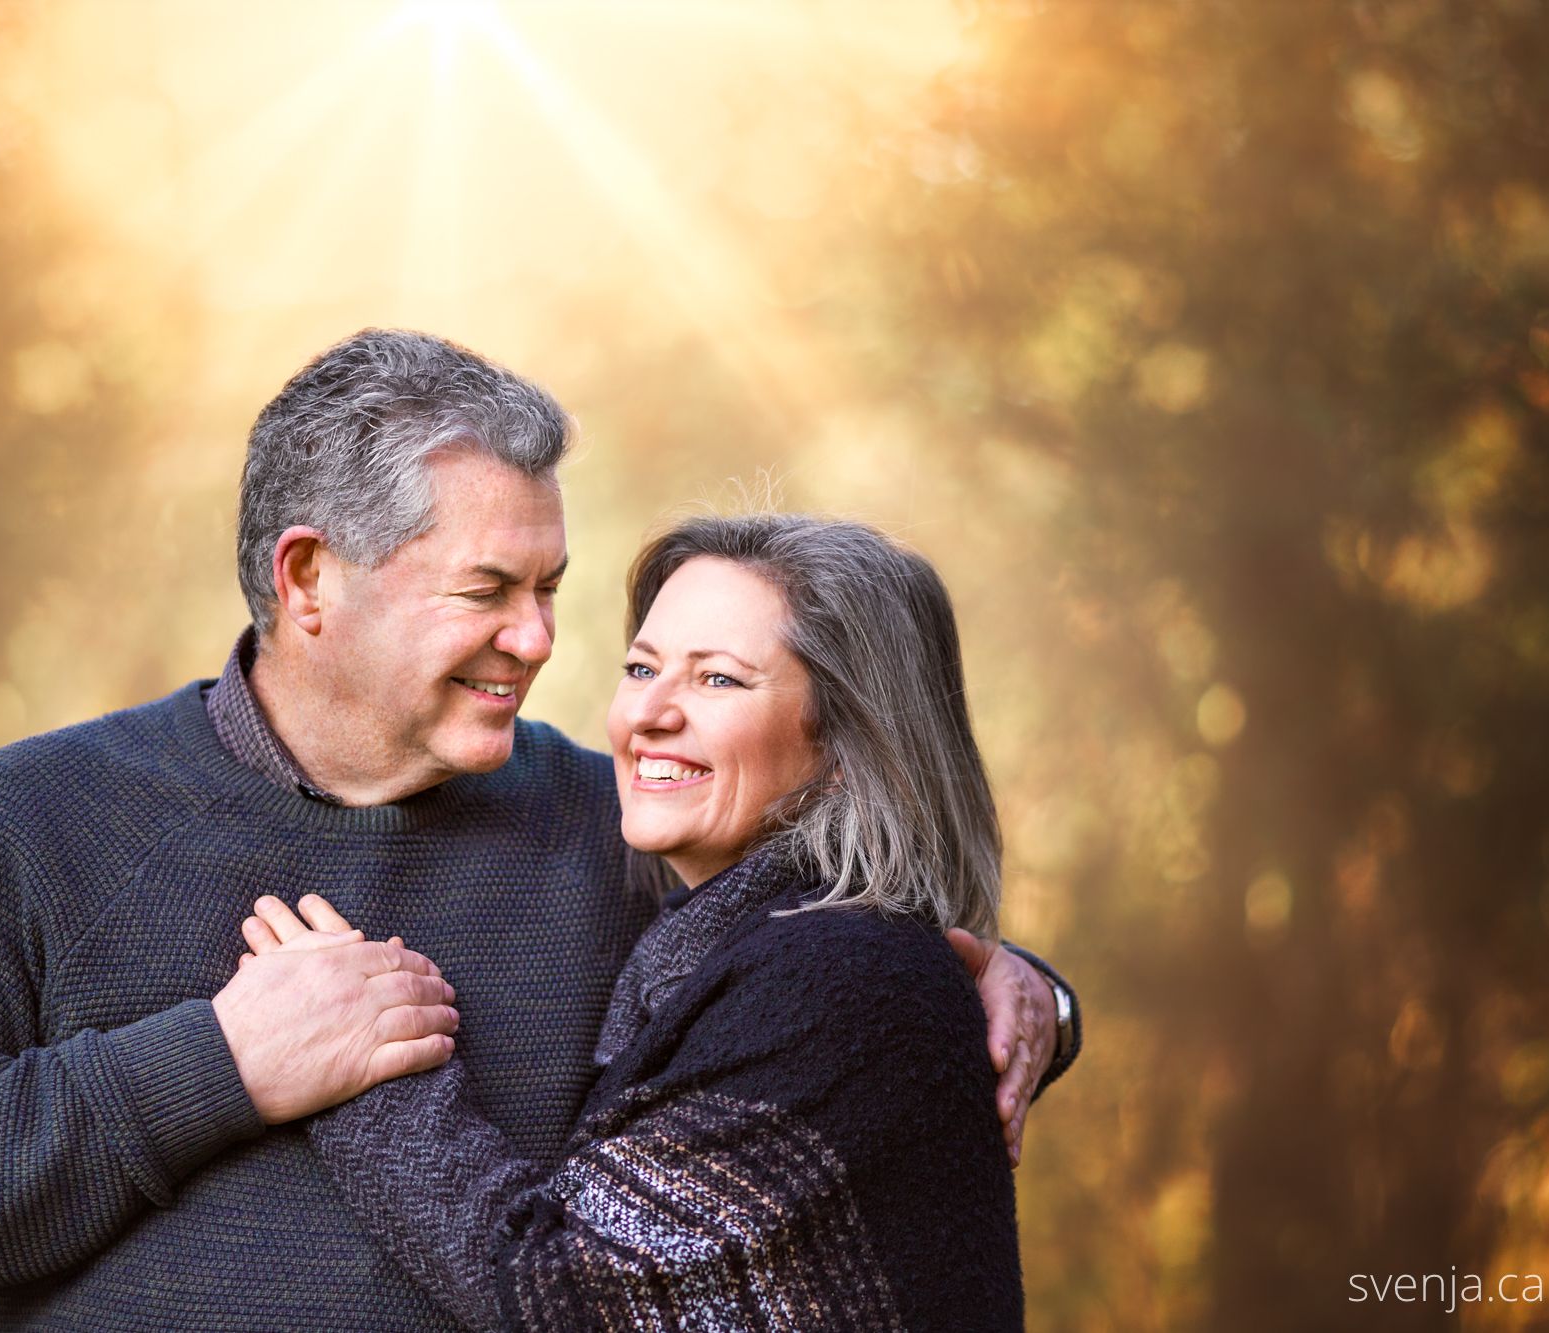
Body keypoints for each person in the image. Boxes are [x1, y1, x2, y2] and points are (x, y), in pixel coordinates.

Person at [0, 330, 1079, 1329]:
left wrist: (1018, 985)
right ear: (308, 578)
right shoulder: (30, 822)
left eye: (549, 589)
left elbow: (826, 1000)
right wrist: (223, 1059)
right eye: (487, 590)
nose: (538, 639)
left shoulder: (622, 838)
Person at [249, 514, 1030, 1330]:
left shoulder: (842, 979)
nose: (648, 713)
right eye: (641, 667)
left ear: (847, 742)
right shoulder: (757, 943)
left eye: (718, 679)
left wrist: (370, 1061)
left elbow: (568, 1298)